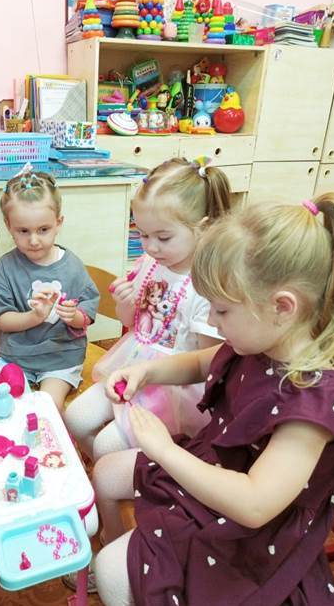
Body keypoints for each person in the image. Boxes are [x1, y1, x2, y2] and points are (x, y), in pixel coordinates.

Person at [93, 194, 334, 606]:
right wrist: (146, 372)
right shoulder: (261, 340)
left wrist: (165, 451)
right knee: (103, 472)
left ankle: (128, 574)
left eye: (222, 311)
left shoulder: (310, 405)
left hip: (253, 530)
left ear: (282, 307)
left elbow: (255, 505)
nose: (210, 320)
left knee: (111, 572)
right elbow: (201, 362)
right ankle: (126, 556)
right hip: (215, 465)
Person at [65, 157, 231, 461]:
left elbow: (209, 362)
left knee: (106, 446)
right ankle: (110, 473)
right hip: (131, 363)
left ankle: (125, 476)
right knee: (75, 417)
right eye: (142, 234)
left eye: (163, 237)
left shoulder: (207, 287)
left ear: (203, 228)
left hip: (174, 387)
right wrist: (125, 304)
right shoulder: (149, 263)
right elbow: (133, 323)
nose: (150, 247)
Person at [0, 168, 99, 410]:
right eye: (23, 231)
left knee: (48, 406)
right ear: (9, 226)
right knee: (7, 406)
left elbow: (86, 314)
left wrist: (74, 317)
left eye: (43, 229)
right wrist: (35, 316)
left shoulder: (72, 266)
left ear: (58, 223)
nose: (34, 240)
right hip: (16, 357)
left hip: (61, 358)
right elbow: (3, 321)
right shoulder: (5, 268)